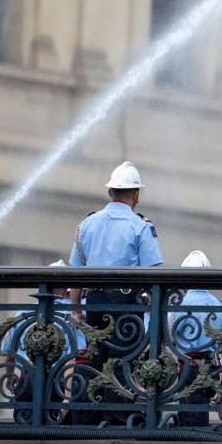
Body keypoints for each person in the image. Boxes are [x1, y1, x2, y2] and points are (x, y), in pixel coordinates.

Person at [67, 160, 163, 422]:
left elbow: (75, 273)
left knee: (94, 359)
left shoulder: (87, 224)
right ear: (136, 195)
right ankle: (117, 420)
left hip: (94, 302)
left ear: (110, 192)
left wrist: (76, 311)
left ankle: (83, 420)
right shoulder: (141, 225)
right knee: (123, 361)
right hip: (126, 303)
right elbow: (155, 274)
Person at [1, 260, 85, 424]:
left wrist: (10, 377)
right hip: (57, 386)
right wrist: (67, 399)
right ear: (66, 289)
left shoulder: (21, 314)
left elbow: (9, 354)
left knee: (24, 434)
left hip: (27, 383)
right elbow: (72, 359)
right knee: (57, 438)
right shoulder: (72, 316)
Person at [167, 250, 222, 427]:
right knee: (198, 417)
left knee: (192, 424)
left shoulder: (179, 305)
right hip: (213, 369)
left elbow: (164, 337)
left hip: (190, 368)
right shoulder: (220, 306)